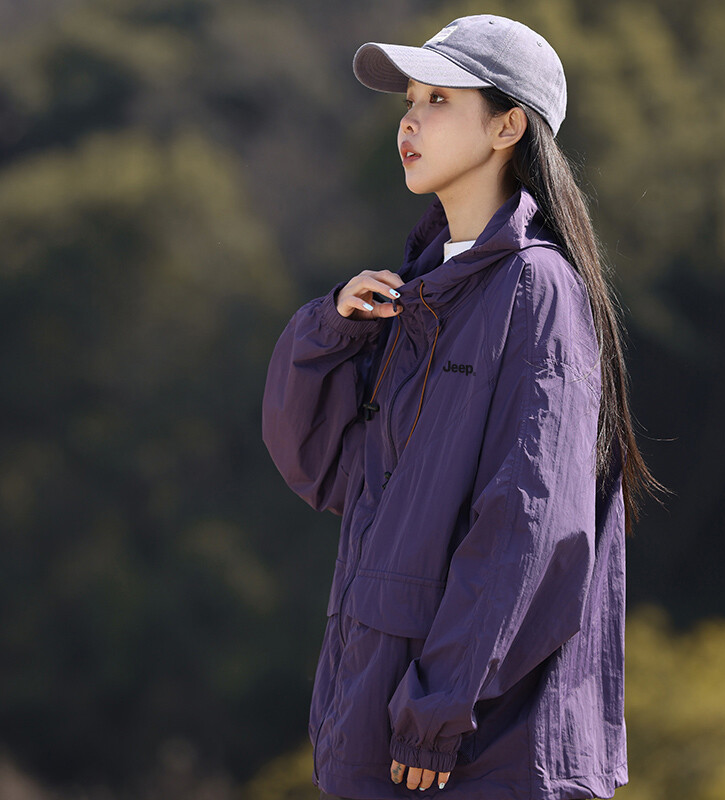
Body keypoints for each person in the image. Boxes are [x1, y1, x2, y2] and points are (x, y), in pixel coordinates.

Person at [262, 13, 660, 800]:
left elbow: (526, 523)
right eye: (410, 100)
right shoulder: (415, 296)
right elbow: (322, 470)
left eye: (439, 99)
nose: (409, 120)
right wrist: (329, 332)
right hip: (377, 719)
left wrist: (438, 709)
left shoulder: (537, 290)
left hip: (474, 749)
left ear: (508, 126)